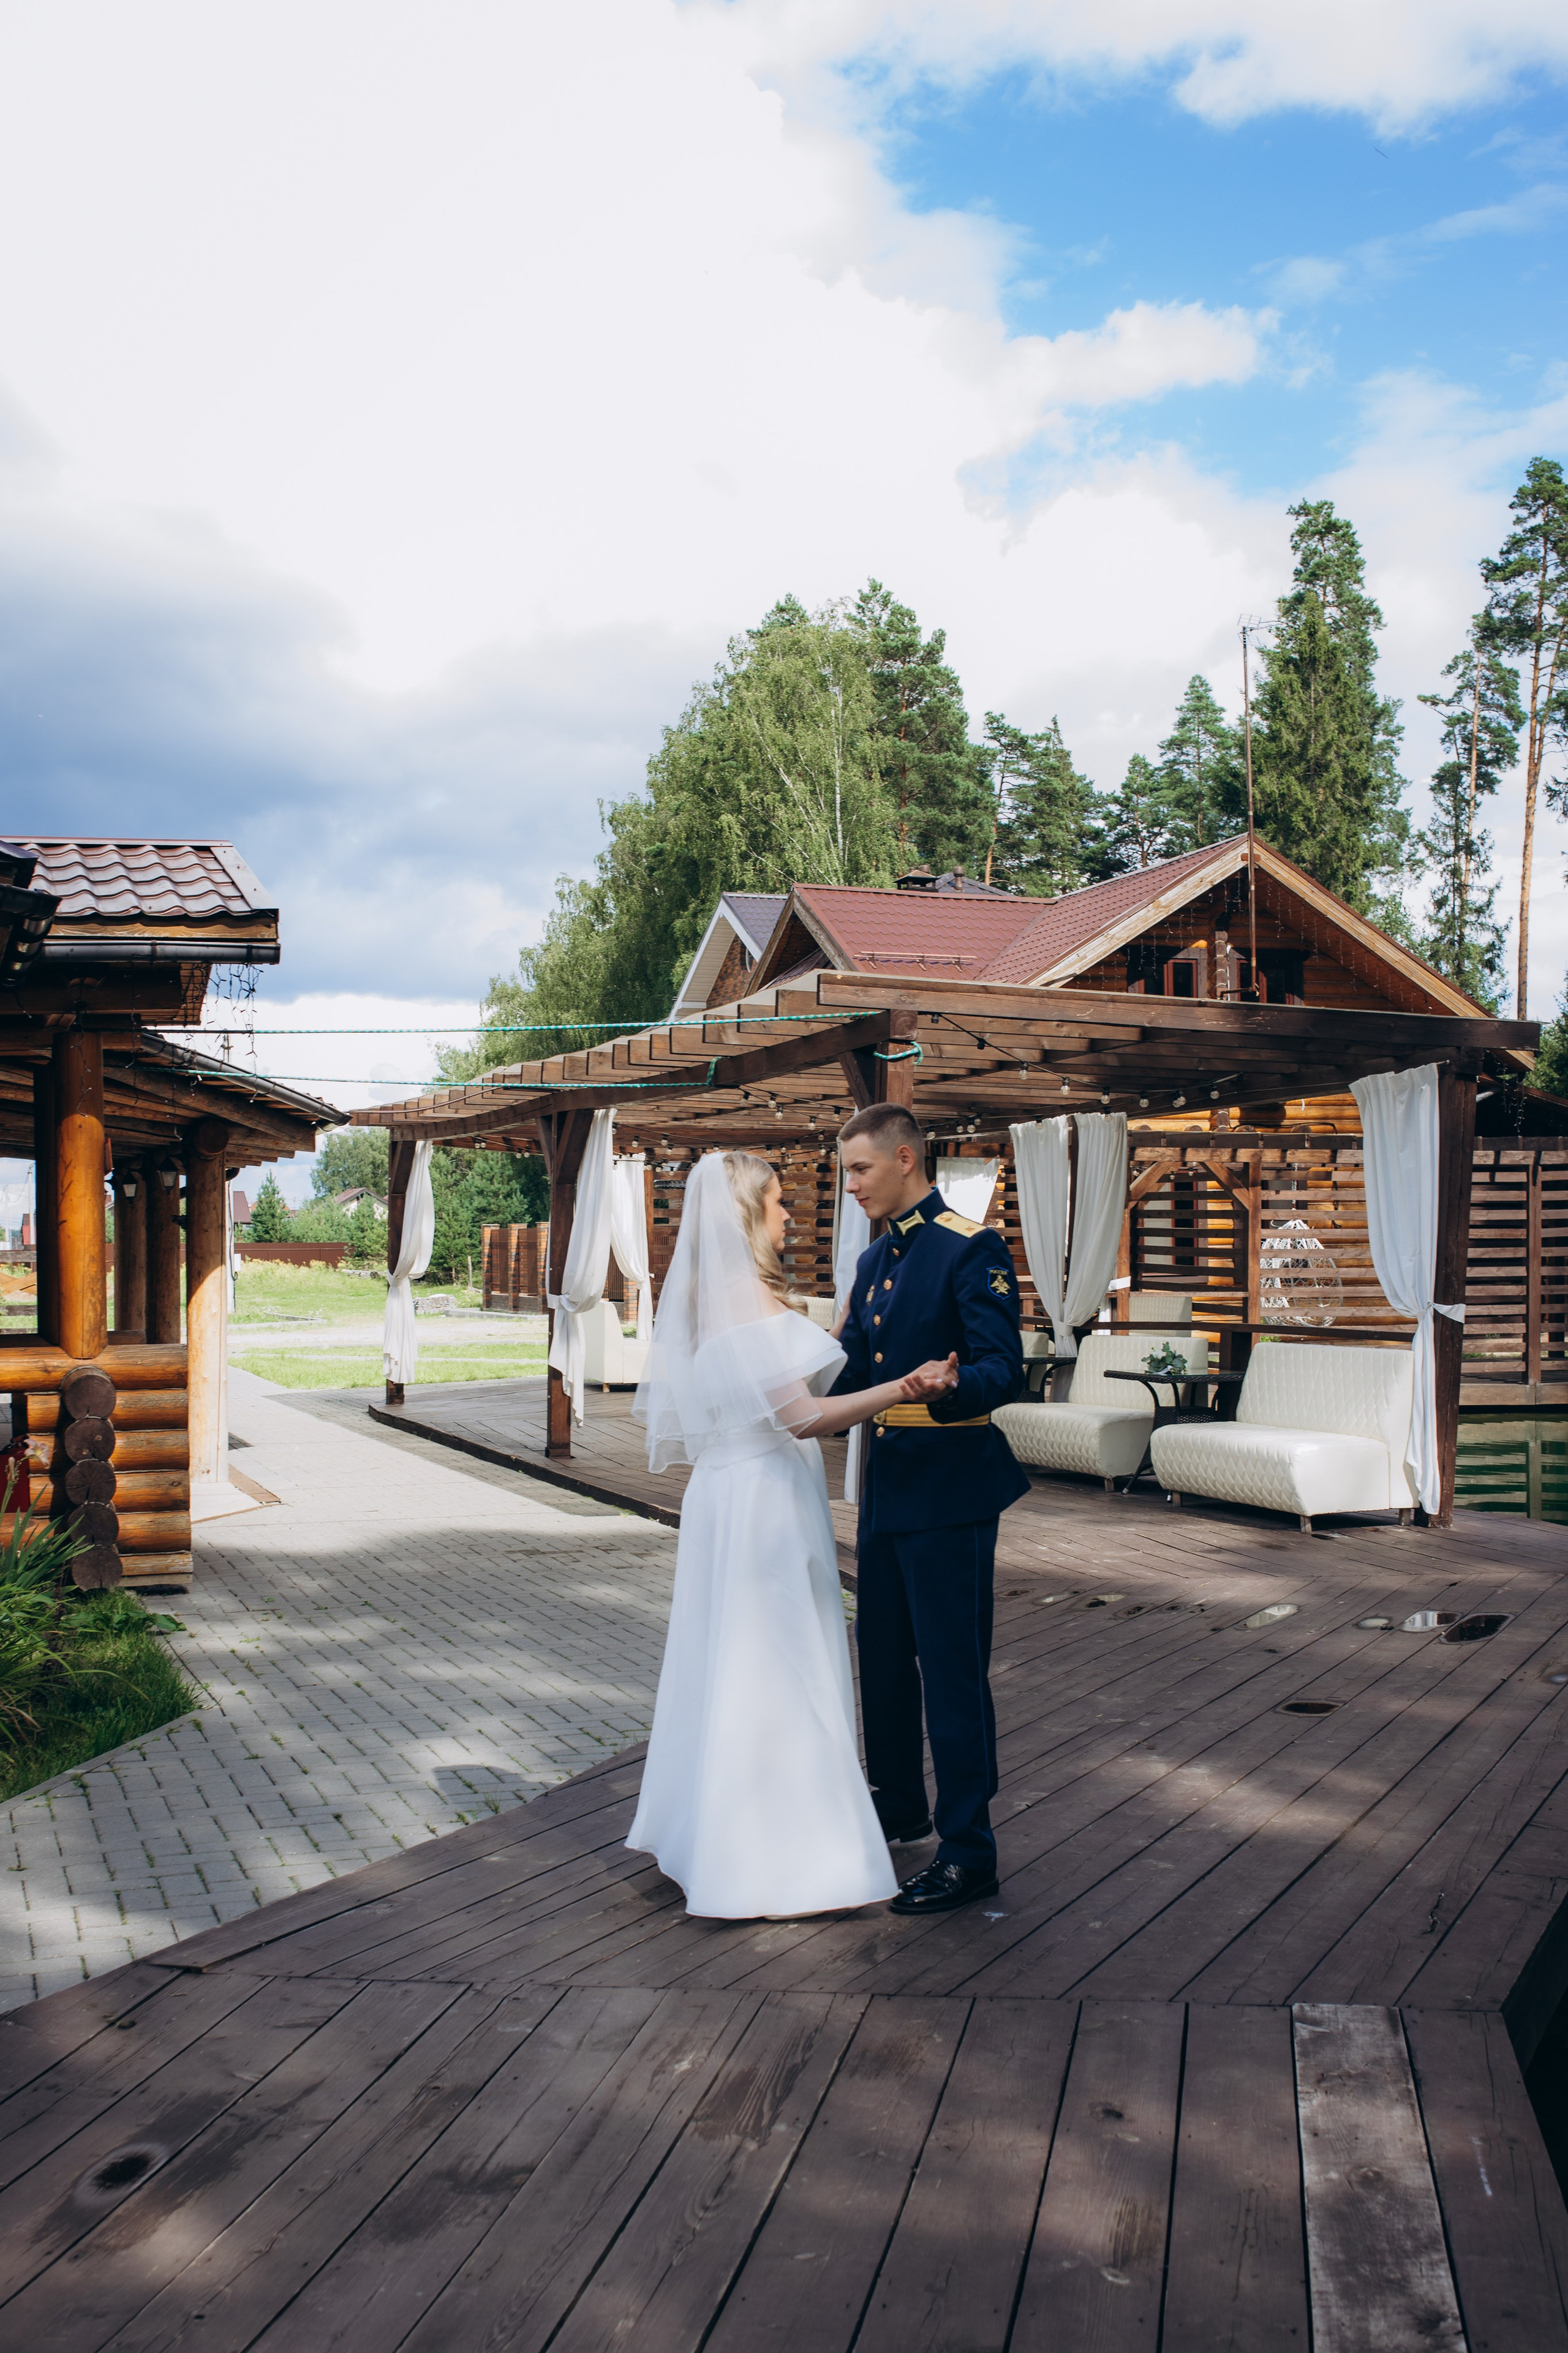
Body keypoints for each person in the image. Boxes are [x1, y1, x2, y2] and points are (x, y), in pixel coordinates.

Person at [627, 1150, 959, 1920]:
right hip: (763, 1499)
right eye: (777, 1203)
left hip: (729, 1492)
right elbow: (802, 1416)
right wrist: (905, 1386)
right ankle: (782, 1854)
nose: (788, 1216)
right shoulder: (744, 1295)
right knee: (779, 1659)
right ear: (745, 1212)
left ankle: (718, 1833)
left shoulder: (712, 1297)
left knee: (731, 1657)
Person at [832, 1102, 1028, 1915]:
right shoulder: (876, 1261)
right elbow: (849, 1376)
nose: (849, 1186)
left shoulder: (968, 1247)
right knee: (880, 1663)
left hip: (949, 1490)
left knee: (951, 1674)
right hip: (886, 1488)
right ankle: (899, 1809)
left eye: (860, 1170)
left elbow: (1001, 1367)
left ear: (905, 1159)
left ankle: (967, 1850)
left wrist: (951, 1389)